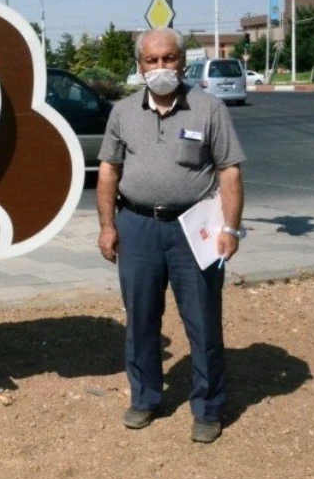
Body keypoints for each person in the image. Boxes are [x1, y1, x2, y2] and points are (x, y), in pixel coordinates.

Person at [96, 28, 245, 444]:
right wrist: (108, 226)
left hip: (193, 229)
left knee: (202, 322)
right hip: (137, 228)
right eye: (151, 60)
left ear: (182, 61)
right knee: (140, 319)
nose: (160, 68)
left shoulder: (208, 109)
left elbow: (229, 169)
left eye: (168, 59)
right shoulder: (123, 112)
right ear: (139, 65)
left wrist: (230, 228)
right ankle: (144, 398)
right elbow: (109, 170)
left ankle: (208, 407)